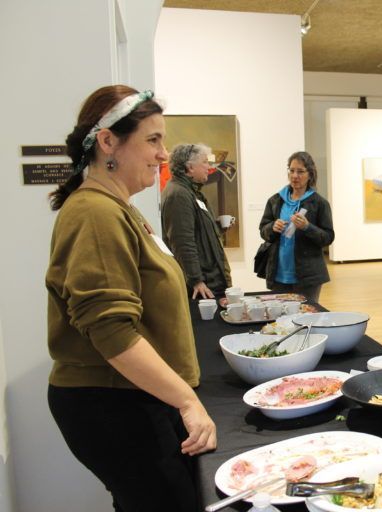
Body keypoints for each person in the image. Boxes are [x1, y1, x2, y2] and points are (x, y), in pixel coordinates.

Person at [45, 85, 216, 511]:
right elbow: (112, 331)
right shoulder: (95, 212)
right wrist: (187, 400)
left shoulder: (117, 207)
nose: (163, 154)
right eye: (153, 139)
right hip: (115, 402)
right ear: (108, 142)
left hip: (132, 396)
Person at [259, 151, 334, 303]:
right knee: (280, 315)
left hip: (308, 277)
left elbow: (328, 238)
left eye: (300, 171)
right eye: (292, 170)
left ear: (310, 174)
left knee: (306, 314)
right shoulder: (275, 200)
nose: (295, 176)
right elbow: (263, 230)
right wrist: (272, 227)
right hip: (278, 274)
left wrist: (307, 227)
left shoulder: (319, 203)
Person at [161, 143, 232, 300]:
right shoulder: (178, 195)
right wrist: (196, 280)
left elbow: (197, 233)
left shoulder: (191, 192)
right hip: (201, 287)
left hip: (210, 281)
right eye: (205, 162)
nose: (209, 167)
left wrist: (217, 227)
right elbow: (182, 242)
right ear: (190, 167)